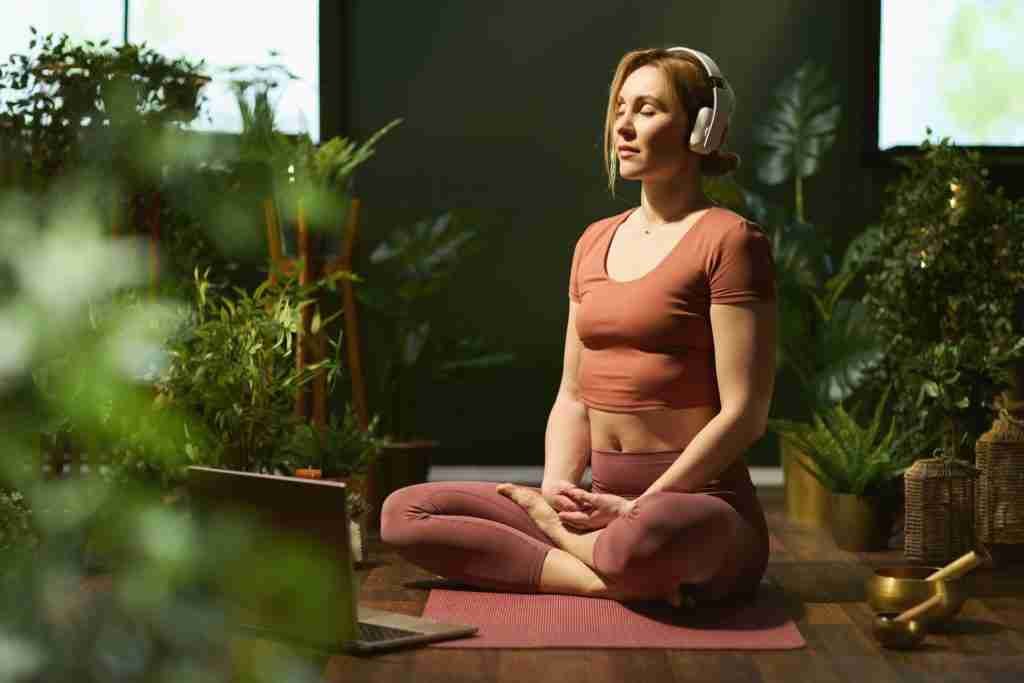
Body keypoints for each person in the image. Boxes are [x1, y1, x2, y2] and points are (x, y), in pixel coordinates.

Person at [380, 46, 777, 608]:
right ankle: (604, 577)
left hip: (692, 507)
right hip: (599, 505)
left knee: (647, 538)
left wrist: (637, 507)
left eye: (647, 108)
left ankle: (584, 557)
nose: (624, 124)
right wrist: (556, 493)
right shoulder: (593, 241)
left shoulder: (731, 240)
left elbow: (745, 414)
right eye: (620, 107)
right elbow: (572, 395)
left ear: (700, 129)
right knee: (403, 513)